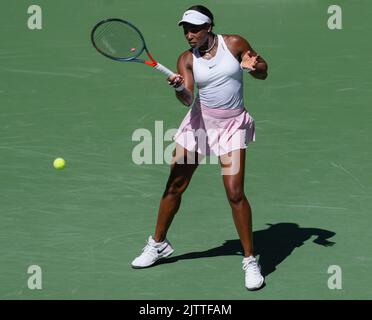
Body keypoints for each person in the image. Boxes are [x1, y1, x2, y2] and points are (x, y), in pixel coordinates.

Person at [131, 5, 268, 291]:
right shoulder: (186, 60)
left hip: (231, 127)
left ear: (209, 26)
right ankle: (158, 244)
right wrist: (180, 88)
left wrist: (254, 67)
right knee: (174, 186)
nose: (189, 34)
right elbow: (188, 98)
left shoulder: (234, 44)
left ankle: (249, 260)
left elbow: (263, 70)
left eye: (194, 29)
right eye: (185, 29)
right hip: (200, 126)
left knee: (235, 192)